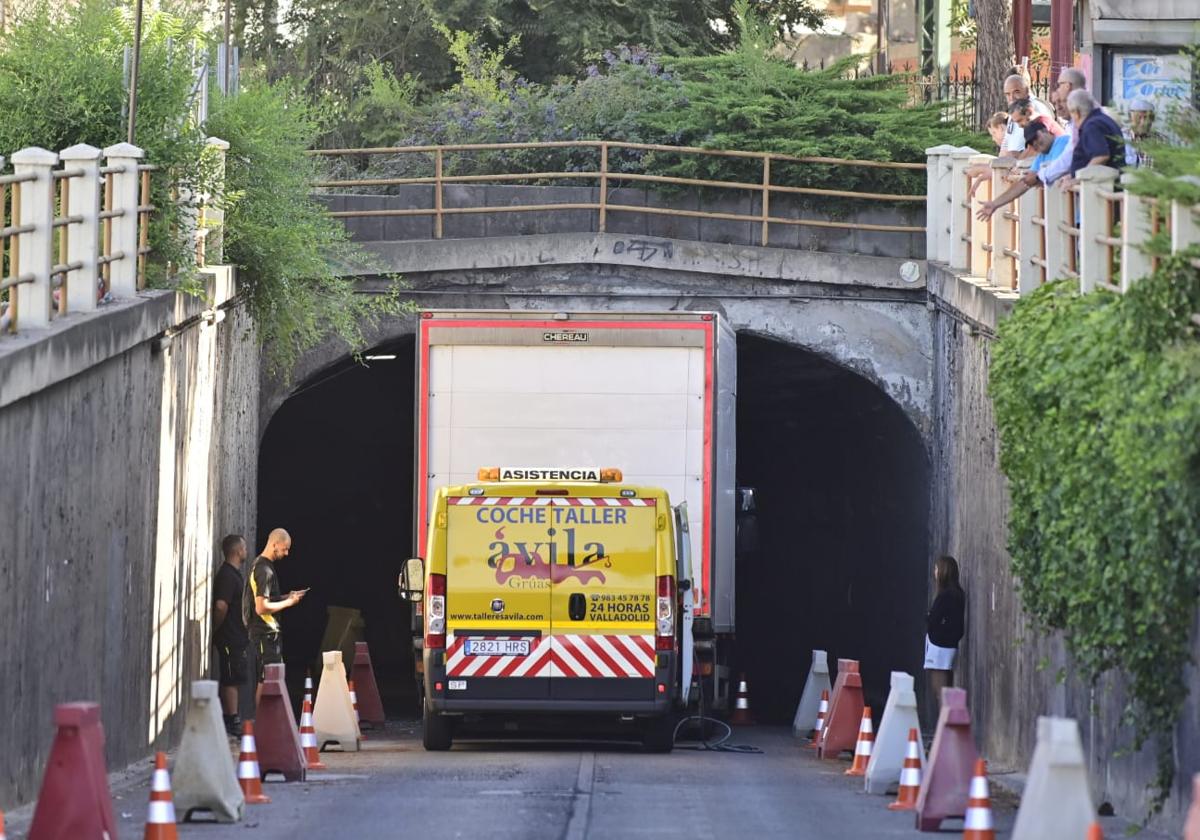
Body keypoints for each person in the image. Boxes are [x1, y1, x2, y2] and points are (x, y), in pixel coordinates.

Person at [243, 528, 306, 704]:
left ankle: (266, 723)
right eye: (285, 548)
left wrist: (286, 596)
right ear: (274, 544)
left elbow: (267, 599)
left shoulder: (263, 566)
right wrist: (289, 603)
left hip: (268, 634)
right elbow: (261, 607)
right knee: (267, 679)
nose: (286, 553)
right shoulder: (264, 570)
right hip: (265, 633)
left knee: (270, 677)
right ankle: (263, 724)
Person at [975, 122, 1071, 221]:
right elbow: (1026, 182)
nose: (1035, 143)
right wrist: (995, 204)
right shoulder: (1041, 156)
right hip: (1064, 215)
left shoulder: (1064, 142)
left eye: (1036, 138)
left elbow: (1060, 168)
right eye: (1030, 143)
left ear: (1045, 131)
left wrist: (1038, 177)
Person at [213, 534, 249, 736]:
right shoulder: (227, 575)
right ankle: (232, 720)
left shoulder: (233, 574)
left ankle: (231, 717)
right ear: (237, 551)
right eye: (244, 548)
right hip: (229, 637)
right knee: (231, 678)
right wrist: (216, 628)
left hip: (235, 636)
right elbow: (220, 605)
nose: (246, 551)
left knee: (234, 676)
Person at [924, 555, 965, 715]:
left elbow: (933, 619)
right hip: (949, 645)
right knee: (946, 689)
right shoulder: (958, 594)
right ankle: (948, 728)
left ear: (943, 571)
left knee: (940, 691)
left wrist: (928, 616)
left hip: (939, 646)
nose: (934, 572)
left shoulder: (945, 595)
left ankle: (946, 728)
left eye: (936, 568)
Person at [1059, 89, 1125, 186]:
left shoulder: (1092, 126)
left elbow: (1101, 156)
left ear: (1076, 113)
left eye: (1071, 113)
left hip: (1102, 188)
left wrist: (1078, 180)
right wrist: (1072, 175)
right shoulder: (1103, 120)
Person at [1038, 68, 1089, 187]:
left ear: (1068, 86)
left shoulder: (1086, 116)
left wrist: (1043, 175)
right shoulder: (1072, 123)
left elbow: (1070, 157)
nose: (1058, 107)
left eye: (1059, 85)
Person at [1000, 74, 1055, 156]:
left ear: (1026, 90)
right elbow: (1007, 141)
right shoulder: (1015, 108)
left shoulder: (1036, 107)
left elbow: (1038, 147)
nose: (1011, 97)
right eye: (1007, 94)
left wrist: (1018, 159)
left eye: (1016, 92)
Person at [1123, 97, 1158, 168]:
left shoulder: (1160, 140)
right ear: (1130, 119)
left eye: (1146, 118)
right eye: (1138, 118)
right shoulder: (1120, 137)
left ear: (1151, 120)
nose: (1142, 123)